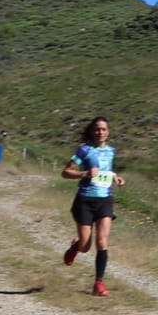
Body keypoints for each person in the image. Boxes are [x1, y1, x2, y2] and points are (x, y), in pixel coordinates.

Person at [62, 116, 124, 297]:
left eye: (104, 129)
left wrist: (116, 178)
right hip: (85, 201)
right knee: (85, 246)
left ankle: (98, 283)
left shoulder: (112, 151)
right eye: (97, 129)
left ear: (108, 132)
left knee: (102, 242)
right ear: (92, 131)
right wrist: (84, 173)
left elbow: (107, 171)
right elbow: (65, 172)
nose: (100, 132)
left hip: (105, 200)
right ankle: (76, 247)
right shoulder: (84, 150)